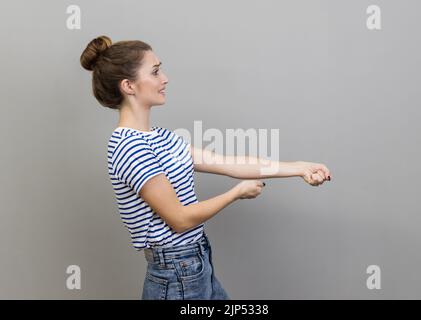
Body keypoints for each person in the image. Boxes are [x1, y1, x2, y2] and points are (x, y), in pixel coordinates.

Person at [80, 35, 332, 300]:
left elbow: (229, 163)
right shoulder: (129, 147)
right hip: (176, 273)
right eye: (155, 72)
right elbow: (179, 219)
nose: (165, 78)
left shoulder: (161, 137)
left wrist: (300, 167)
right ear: (129, 85)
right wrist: (235, 194)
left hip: (195, 263)